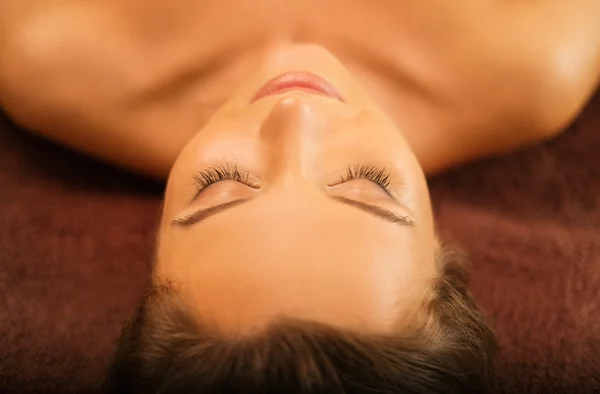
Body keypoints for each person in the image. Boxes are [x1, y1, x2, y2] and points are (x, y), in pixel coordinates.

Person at [1, 1, 599, 393]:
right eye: (369, 182)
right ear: (442, 251)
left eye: (221, 184)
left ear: (154, 251)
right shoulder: (537, 60)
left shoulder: (47, 49)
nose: (295, 117)